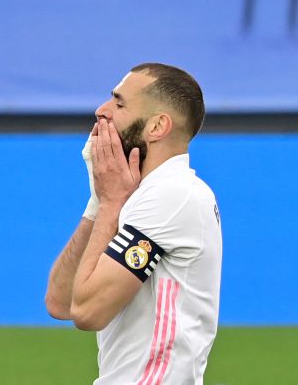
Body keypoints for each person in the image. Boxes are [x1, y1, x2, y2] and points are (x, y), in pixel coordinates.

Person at [45, 63, 222, 384]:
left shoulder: (174, 195)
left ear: (157, 126)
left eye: (119, 103)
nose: (102, 110)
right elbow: (61, 302)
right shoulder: (142, 195)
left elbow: (87, 312)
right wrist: (99, 200)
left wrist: (110, 203)